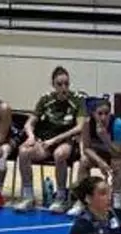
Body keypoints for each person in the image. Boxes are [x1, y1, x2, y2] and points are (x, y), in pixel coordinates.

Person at [16, 66, 84, 213]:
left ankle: (60, 197)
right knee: (23, 151)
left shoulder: (77, 99)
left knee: (60, 154)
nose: (64, 88)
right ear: (53, 85)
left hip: (66, 140)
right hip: (45, 141)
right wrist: (31, 136)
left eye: (66, 84)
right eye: (59, 84)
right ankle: (28, 197)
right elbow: (29, 123)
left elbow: (80, 127)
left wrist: (55, 140)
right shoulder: (46, 99)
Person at [77, 98, 121, 213]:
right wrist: (100, 162)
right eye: (100, 114)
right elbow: (86, 148)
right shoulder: (87, 123)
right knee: (84, 161)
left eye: (106, 113)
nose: (103, 117)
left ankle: (117, 204)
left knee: (117, 163)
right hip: (101, 152)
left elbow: (118, 153)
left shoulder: (118, 124)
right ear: (93, 114)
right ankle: (82, 201)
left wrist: (105, 138)